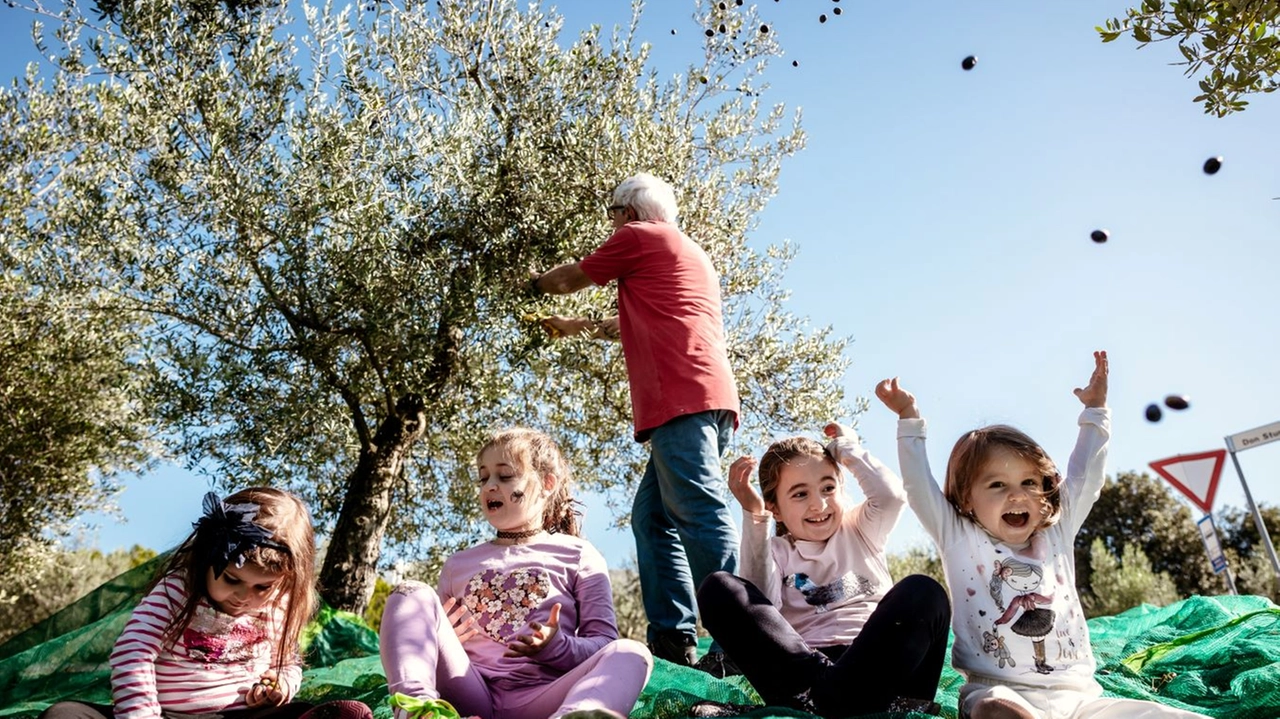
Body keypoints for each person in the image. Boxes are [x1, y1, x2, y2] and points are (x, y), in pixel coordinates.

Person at [878, 351, 1208, 719]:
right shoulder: (958, 534)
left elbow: (1087, 476)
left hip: (1081, 698)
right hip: (995, 687)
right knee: (992, 709)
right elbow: (918, 486)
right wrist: (909, 421)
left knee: (1165, 716)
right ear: (967, 498)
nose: (1016, 495)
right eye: (998, 484)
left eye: (1028, 482)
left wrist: (1095, 412)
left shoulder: (1057, 531)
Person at [528, 172, 740, 671]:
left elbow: (567, 279)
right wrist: (575, 328)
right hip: (705, 397)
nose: (611, 226)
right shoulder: (683, 251)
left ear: (627, 212)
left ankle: (739, 635)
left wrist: (527, 283)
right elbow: (631, 321)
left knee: (700, 513)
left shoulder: (638, 237)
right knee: (653, 517)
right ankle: (673, 639)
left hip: (682, 400)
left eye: (611, 216)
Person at [379, 427, 653, 719]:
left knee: (632, 652)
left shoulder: (579, 555)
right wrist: (438, 638)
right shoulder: (456, 565)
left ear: (547, 483)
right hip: (470, 696)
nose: (489, 487)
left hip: (545, 699)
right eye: (483, 478)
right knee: (410, 593)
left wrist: (556, 647)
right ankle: (418, 710)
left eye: (505, 476)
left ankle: (578, 715)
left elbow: (603, 644)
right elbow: (429, 641)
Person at [40, 488, 371, 719]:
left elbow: (287, 663)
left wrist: (281, 684)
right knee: (64, 714)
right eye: (231, 579)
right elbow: (132, 653)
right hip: (163, 713)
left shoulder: (279, 605)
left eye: (263, 587)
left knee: (344, 713)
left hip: (242, 716)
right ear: (207, 557)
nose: (245, 596)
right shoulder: (177, 591)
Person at [692, 425, 951, 718]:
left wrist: (845, 447)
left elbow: (891, 496)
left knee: (923, 590)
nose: (819, 504)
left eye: (828, 488)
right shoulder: (776, 551)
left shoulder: (860, 529)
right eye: (800, 494)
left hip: (884, 668)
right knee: (718, 588)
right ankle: (830, 698)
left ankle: (826, 702)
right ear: (775, 509)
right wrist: (755, 517)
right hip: (804, 672)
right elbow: (760, 605)